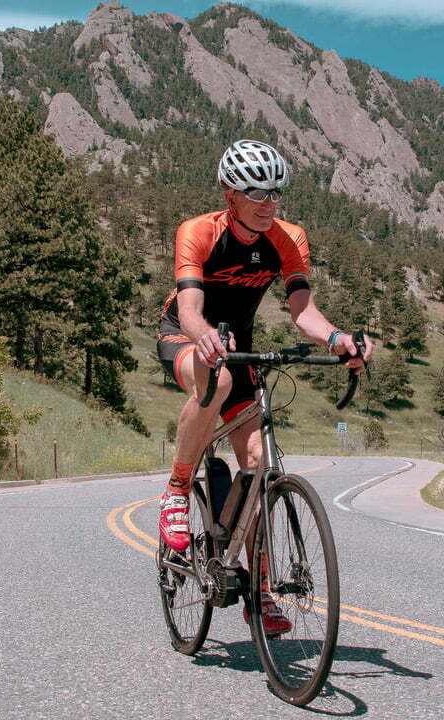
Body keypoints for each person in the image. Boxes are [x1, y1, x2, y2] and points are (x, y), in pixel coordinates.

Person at [156, 139, 371, 634]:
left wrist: (339, 339)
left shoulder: (288, 237)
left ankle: (260, 590)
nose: (269, 201)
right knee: (220, 374)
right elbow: (189, 309)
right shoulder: (199, 232)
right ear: (231, 195)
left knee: (257, 464)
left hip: (240, 340)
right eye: (257, 192)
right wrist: (204, 335)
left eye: (276, 190)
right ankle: (176, 487)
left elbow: (303, 313)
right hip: (185, 334)